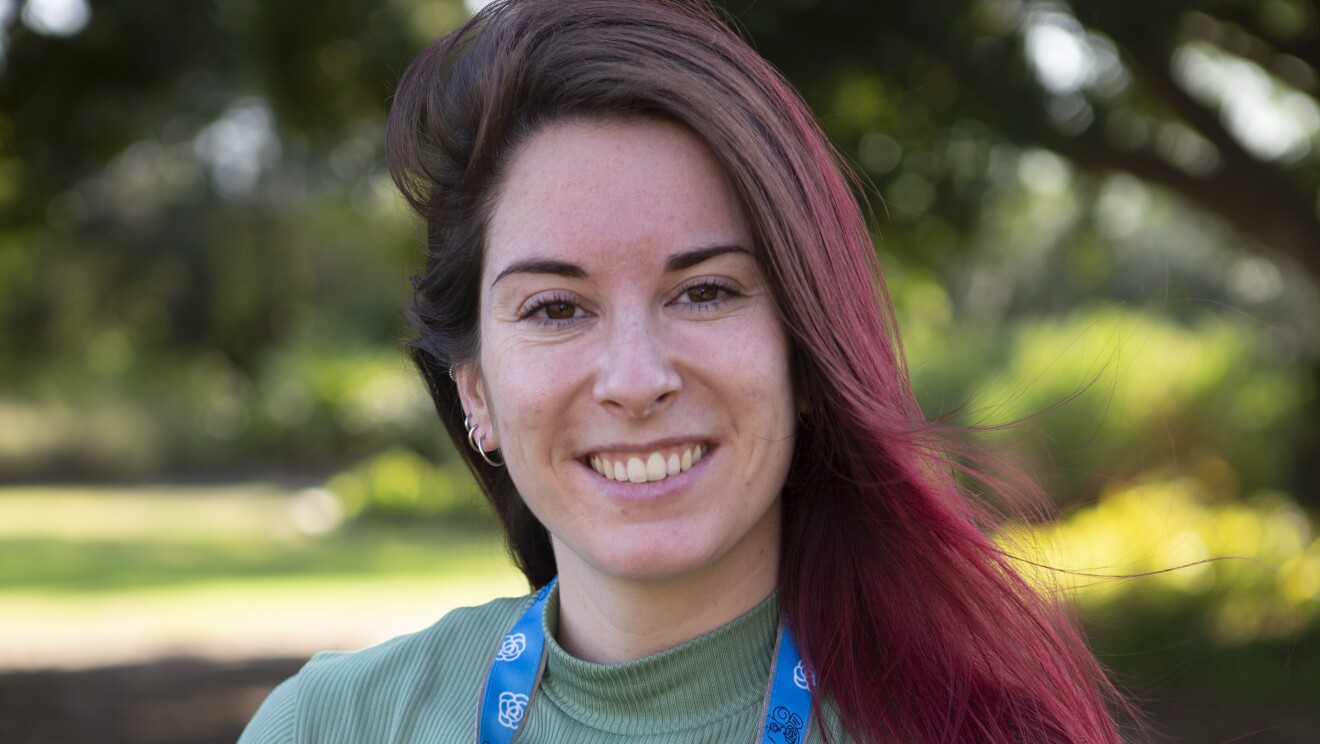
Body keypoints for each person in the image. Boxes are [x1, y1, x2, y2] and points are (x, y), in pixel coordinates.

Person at [241, 1, 1137, 741]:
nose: (635, 380)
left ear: (803, 348)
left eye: (704, 292)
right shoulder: (333, 726)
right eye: (556, 308)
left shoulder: (975, 729)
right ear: (474, 388)